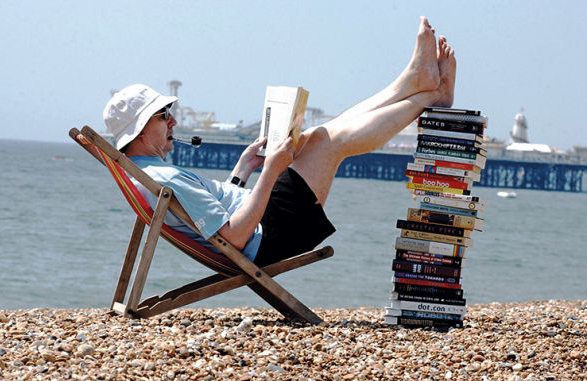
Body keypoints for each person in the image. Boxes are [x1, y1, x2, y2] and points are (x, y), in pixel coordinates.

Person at [102, 17, 456, 266]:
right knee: (330, 142)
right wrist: (271, 171)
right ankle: (426, 96)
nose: (173, 121)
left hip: (262, 222)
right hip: (270, 234)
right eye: (164, 116)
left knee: (320, 135)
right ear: (141, 129)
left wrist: (245, 168)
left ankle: (412, 84)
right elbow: (235, 238)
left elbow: (216, 214)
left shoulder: (148, 173)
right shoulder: (164, 179)